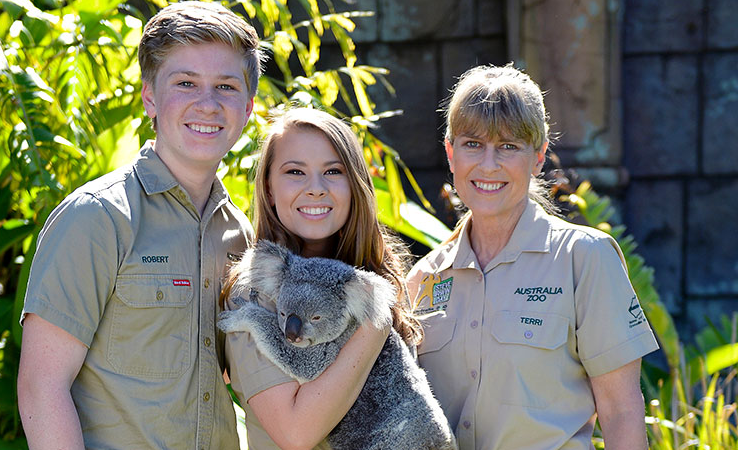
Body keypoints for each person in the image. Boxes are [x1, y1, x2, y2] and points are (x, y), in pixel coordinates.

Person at [17, 1, 264, 448]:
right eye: (186, 83)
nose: (207, 104)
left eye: (226, 87)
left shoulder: (239, 235)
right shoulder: (96, 219)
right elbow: (41, 387)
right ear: (150, 96)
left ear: (247, 107)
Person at [407, 64, 659, 450]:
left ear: (539, 156)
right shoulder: (422, 280)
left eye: (509, 146)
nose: (488, 164)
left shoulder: (584, 259)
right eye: (473, 143)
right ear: (450, 152)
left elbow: (621, 409)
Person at [220, 107, 422, 449]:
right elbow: (296, 433)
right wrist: (374, 325)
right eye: (295, 172)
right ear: (269, 188)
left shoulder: (374, 276)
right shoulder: (256, 292)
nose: (316, 188)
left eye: (333, 171)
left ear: (356, 184)